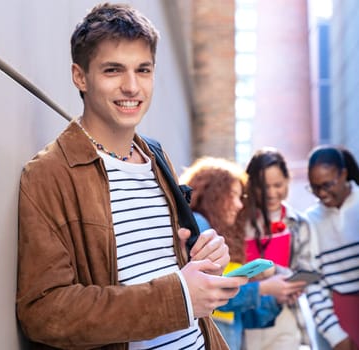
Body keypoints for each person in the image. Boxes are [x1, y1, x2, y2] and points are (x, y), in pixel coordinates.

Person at [16, 4, 247, 349]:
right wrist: (179, 298)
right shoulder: (49, 174)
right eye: (113, 70)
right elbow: (45, 311)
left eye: (143, 70)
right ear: (80, 76)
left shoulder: (156, 157)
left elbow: (162, 268)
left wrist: (203, 259)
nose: (131, 86)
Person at [179, 156, 288, 350]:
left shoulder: (214, 233)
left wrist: (277, 297)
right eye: (235, 195)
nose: (240, 205)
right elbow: (209, 294)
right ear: (216, 194)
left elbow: (241, 315)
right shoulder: (200, 225)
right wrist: (265, 288)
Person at [304, 145, 359, 350]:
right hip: (337, 320)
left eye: (327, 184)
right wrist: (335, 335)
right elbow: (311, 281)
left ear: (343, 174)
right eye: (314, 187)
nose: (321, 193)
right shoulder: (310, 221)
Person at [240, 147, 314, 350]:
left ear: (288, 181)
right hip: (245, 319)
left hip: (284, 318)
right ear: (251, 185)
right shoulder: (238, 222)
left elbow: (306, 274)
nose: (272, 193)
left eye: (278, 185)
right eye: (264, 187)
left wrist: (274, 272)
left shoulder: (298, 224)